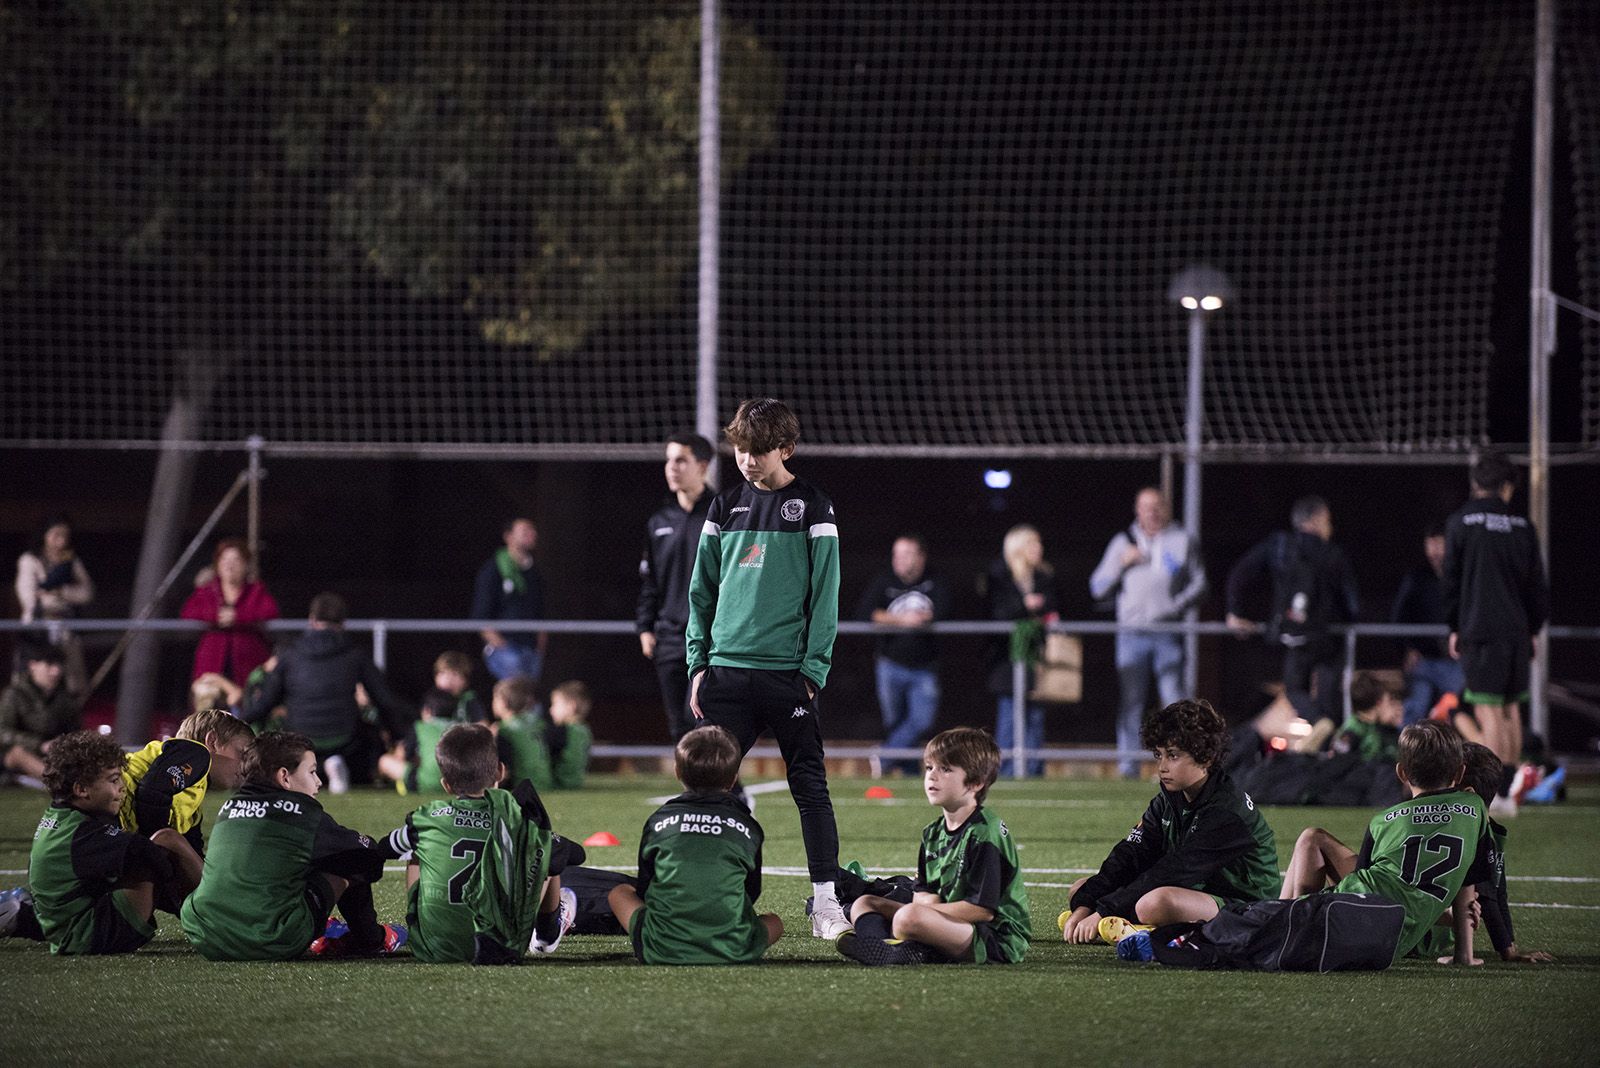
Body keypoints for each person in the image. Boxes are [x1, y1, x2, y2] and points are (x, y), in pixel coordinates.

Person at [685, 397, 848, 939]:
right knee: (710, 790)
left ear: (786, 448)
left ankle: (826, 899)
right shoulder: (722, 508)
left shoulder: (815, 507)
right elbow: (701, 591)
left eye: (757, 450)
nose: (747, 460)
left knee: (809, 785)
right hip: (725, 674)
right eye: (739, 449)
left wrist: (813, 671)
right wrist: (697, 664)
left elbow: (827, 596)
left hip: (787, 676)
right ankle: (714, 898)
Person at [1060, 698, 1278, 944]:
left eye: (1173, 756)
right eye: (1158, 755)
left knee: (1154, 903)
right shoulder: (1168, 798)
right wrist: (1085, 906)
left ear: (1205, 758)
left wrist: (1104, 910)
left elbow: (1173, 871)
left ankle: (1139, 929)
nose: (1162, 767)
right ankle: (1126, 925)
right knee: (1081, 889)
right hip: (1197, 892)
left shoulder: (1227, 812)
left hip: (1248, 905)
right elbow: (1130, 855)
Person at [1277, 720, 1489, 964]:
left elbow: (1366, 886)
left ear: (1401, 773)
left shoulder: (1386, 820)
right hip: (1408, 935)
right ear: (1460, 774)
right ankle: (1283, 919)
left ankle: (1284, 921)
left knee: (1310, 839)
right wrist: (1469, 950)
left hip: (1369, 920)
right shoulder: (1473, 809)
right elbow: (1472, 883)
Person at [180, 731, 406, 960]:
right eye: (312, 772)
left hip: (204, 934)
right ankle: (372, 942)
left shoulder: (227, 807)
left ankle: (325, 927)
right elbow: (365, 855)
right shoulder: (302, 813)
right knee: (349, 859)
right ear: (285, 777)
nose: (318, 781)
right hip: (271, 939)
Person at [376, 723, 583, 963]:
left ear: (446, 784)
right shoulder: (516, 818)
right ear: (500, 772)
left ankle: (429, 926)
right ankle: (548, 932)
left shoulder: (427, 817)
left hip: (433, 949)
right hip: (502, 947)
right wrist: (543, 841)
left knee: (415, 848)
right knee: (541, 848)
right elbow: (577, 855)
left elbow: (385, 848)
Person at [838, 727, 1030, 966]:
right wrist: (925, 907)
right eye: (929, 768)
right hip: (946, 921)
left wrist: (926, 911)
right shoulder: (932, 833)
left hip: (993, 937)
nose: (932, 776)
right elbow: (922, 895)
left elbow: (982, 910)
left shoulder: (984, 832)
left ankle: (907, 947)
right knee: (865, 902)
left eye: (945, 769)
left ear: (976, 783)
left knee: (907, 918)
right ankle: (882, 948)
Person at [607, 725, 782, 964]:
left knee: (619, 892)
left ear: (678, 772)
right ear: (732, 780)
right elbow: (752, 892)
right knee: (774, 921)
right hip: (733, 948)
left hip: (661, 948)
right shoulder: (748, 826)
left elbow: (646, 886)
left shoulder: (659, 820)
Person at [16, 731, 200, 954]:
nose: (122, 786)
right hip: (91, 933)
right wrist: (181, 894)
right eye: (114, 780)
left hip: (71, 928)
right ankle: (217, 915)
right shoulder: (80, 833)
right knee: (166, 841)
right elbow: (144, 852)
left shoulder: (62, 817)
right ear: (81, 789)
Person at [1442, 451, 1549, 817]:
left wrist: (1453, 625)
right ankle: (1511, 787)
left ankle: (1498, 794)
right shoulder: (1522, 526)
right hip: (1517, 632)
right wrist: (1533, 629)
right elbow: (1537, 587)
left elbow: (1451, 581)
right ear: (1507, 487)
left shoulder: (1460, 522)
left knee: (1488, 711)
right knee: (1510, 710)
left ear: (1476, 484)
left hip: (1480, 629)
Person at [238, 592, 412, 793]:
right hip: (345, 739)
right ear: (343, 623)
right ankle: (335, 767)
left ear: (312, 620)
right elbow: (384, 701)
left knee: (288, 741)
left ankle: (314, 771)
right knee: (370, 737)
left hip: (299, 737)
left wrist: (235, 723)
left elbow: (265, 704)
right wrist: (400, 737)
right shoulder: (355, 654)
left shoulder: (290, 654)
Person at [1090, 488, 1208, 778]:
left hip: (1168, 632)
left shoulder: (1182, 540)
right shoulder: (1123, 542)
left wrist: (1174, 606)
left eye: (1157, 506)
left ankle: (1177, 767)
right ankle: (1128, 765)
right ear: (1137, 510)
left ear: (1166, 509)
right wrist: (1122, 564)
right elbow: (1097, 586)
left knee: (1174, 703)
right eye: (1146, 507)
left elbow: (1200, 583)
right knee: (1132, 702)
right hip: (1131, 635)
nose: (1152, 512)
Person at [1226, 495, 1360, 736]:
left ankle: (1319, 724)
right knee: (1331, 700)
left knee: (1295, 691)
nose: (1331, 527)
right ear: (1316, 520)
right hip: (1328, 638)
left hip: (1294, 634)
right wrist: (1348, 623)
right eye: (1328, 520)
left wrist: (1235, 612)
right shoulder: (1333, 553)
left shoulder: (1279, 546)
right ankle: (1331, 752)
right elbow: (1352, 601)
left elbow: (1240, 573)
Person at [637, 432, 716, 742]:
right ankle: (704, 791)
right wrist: (645, 626)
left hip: (711, 636)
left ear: (702, 465)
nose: (671, 467)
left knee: (699, 716)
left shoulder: (722, 514)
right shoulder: (659, 521)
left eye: (681, 460)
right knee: (678, 726)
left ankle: (729, 790)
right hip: (669, 636)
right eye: (669, 460)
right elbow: (650, 582)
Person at [855, 534, 951, 774]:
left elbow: (944, 609)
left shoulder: (935, 580)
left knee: (921, 721)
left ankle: (884, 758)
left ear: (921, 557)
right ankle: (910, 772)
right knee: (895, 724)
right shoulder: (884, 580)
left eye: (906, 554)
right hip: (890, 664)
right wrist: (901, 620)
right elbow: (866, 613)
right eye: (896, 555)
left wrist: (924, 618)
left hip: (924, 666)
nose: (899, 560)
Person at [118, 707, 254, 852]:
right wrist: (154, 850)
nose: (247, 766)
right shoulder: (197, 753)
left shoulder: (192, 805)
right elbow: (152, 792)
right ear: (212, 741)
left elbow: (192, 852)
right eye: (242, 754)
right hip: (102, 813)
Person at [985, 524, 1062, 777]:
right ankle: (1006, 770)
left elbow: (1054, 606)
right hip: (1007, 658)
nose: (1039, 549)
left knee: (1036, 716)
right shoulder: (1000, 576)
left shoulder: (1044, 576)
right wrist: (1024, 605)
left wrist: (1046, 612)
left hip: (1038, 657)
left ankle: (1033, 769)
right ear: (1018, 548)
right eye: (1033, 544)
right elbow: (995, 613)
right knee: (1009, 716)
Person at [180, 537, 279, 686]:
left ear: (246, 565)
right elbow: (188, 612)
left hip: (248, 666)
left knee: (252, 701)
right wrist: (215, 616)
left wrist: (239, 617)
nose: (229, 565)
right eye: (225, 560)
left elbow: (271, 612)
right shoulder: (207, 591)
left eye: (236, 560)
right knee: (208, 702)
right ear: (217, 565)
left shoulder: (256, 591)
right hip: (211, 666)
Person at [1391, 522, 1464, 724]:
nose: (1435, 553)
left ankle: (1460, 754)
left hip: (1456, 661)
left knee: (1456, 713)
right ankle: (1406, 753)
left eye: (1439, 546)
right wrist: (1407, 648)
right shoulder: (1417, 578)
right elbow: (1399, 616)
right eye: (1430, 547)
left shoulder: (1462, 578)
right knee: (1414, 710)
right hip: (1423, 660)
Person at [14, 515, 94, 696]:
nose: (61, 540)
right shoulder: (30, 560)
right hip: (38, 628)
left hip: (65, 627)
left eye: (65, 535)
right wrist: (43, 599)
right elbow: (28, 596)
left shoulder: (69, 561)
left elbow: (87, 592)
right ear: (44, 535)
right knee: (32, 679)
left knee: (72, 680)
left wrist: (60, 592)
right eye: (56, 534)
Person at [473, 518, 548, 683]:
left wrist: (539, 646)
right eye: (525, 531)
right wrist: (502, 646)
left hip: (530, 649)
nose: (532, 535)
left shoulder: (534, 573)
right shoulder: (493, 570)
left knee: (529, 700)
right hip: (506, 648)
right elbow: (480, 615)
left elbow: (540, 612)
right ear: (508, 536)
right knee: (514, 697)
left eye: (533, 531)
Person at [0, 644, 82, 782]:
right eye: (49, 665)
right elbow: (3, 733)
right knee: (17, 753)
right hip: (19, 754)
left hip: (54, 754)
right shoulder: (15, 694)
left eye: (59, 665)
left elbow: (75, 731)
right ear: (33, 665)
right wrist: (39, 745)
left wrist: (63, 744)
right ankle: (59, 781)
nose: (56, 671)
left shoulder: (64, 697)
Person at [491, 675, 554, 791]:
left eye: (494, 698)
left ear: (503, 702)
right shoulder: (538, 723)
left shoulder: (504, 729)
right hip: (545, 783)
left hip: (521, 785)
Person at [1331, 671, 1404, 764]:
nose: (1396, 708)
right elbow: (1337, 763)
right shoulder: (1353, 730)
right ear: (1379, 702)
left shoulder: (1382, 729)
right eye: (1390, 702)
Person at [545, 679, 593, 789]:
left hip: (559, 783)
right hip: (576, 782)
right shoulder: (584, 730)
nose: (551, 710)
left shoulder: (563, 731)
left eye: (555, 704)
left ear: (571, 706)